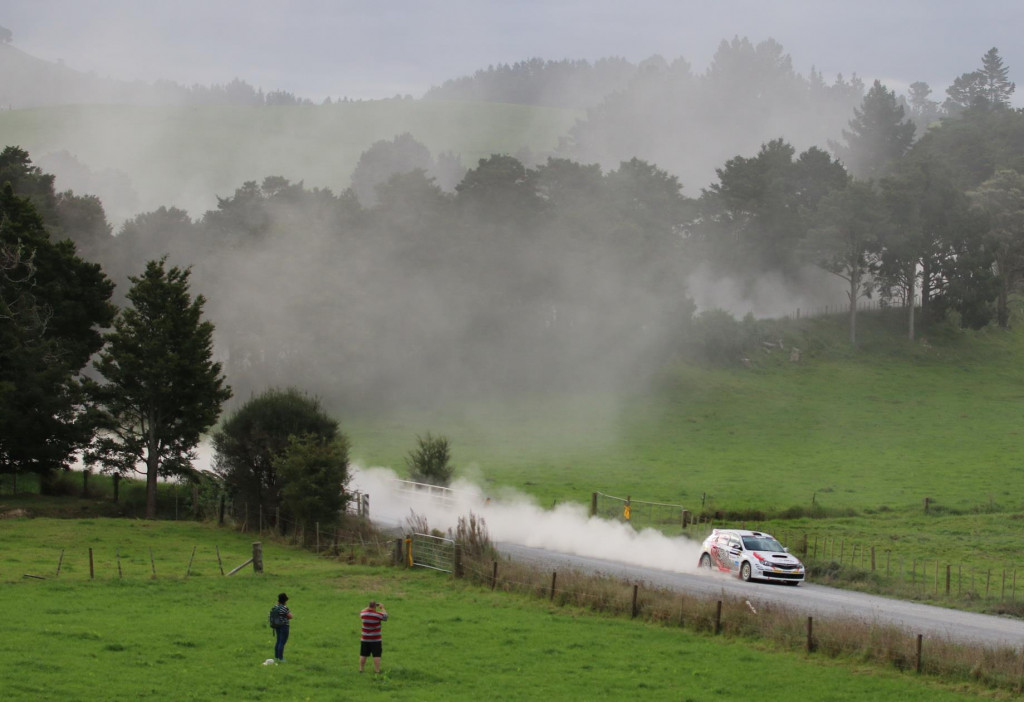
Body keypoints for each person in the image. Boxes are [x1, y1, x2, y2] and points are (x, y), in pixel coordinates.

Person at [358, 600, 388, 673]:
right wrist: (382, 608)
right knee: (376, 655)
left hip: (364, 638)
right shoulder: (377, 615)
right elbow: (386, 617)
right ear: (375, 606)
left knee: (363, 654)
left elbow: (361, 611)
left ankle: (361, 669)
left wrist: (368, 607)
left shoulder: (363, 614)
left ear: (369, 606)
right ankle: (377, 670)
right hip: (375, 639)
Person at [269, 592, 293, 662]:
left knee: (278, 641)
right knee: (282, 642)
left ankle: (276, 657)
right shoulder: (284, 608)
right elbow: (291, 616)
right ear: (285, 600)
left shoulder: (275, 607)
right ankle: (281, 658)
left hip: (277, 626)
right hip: (284, 626)